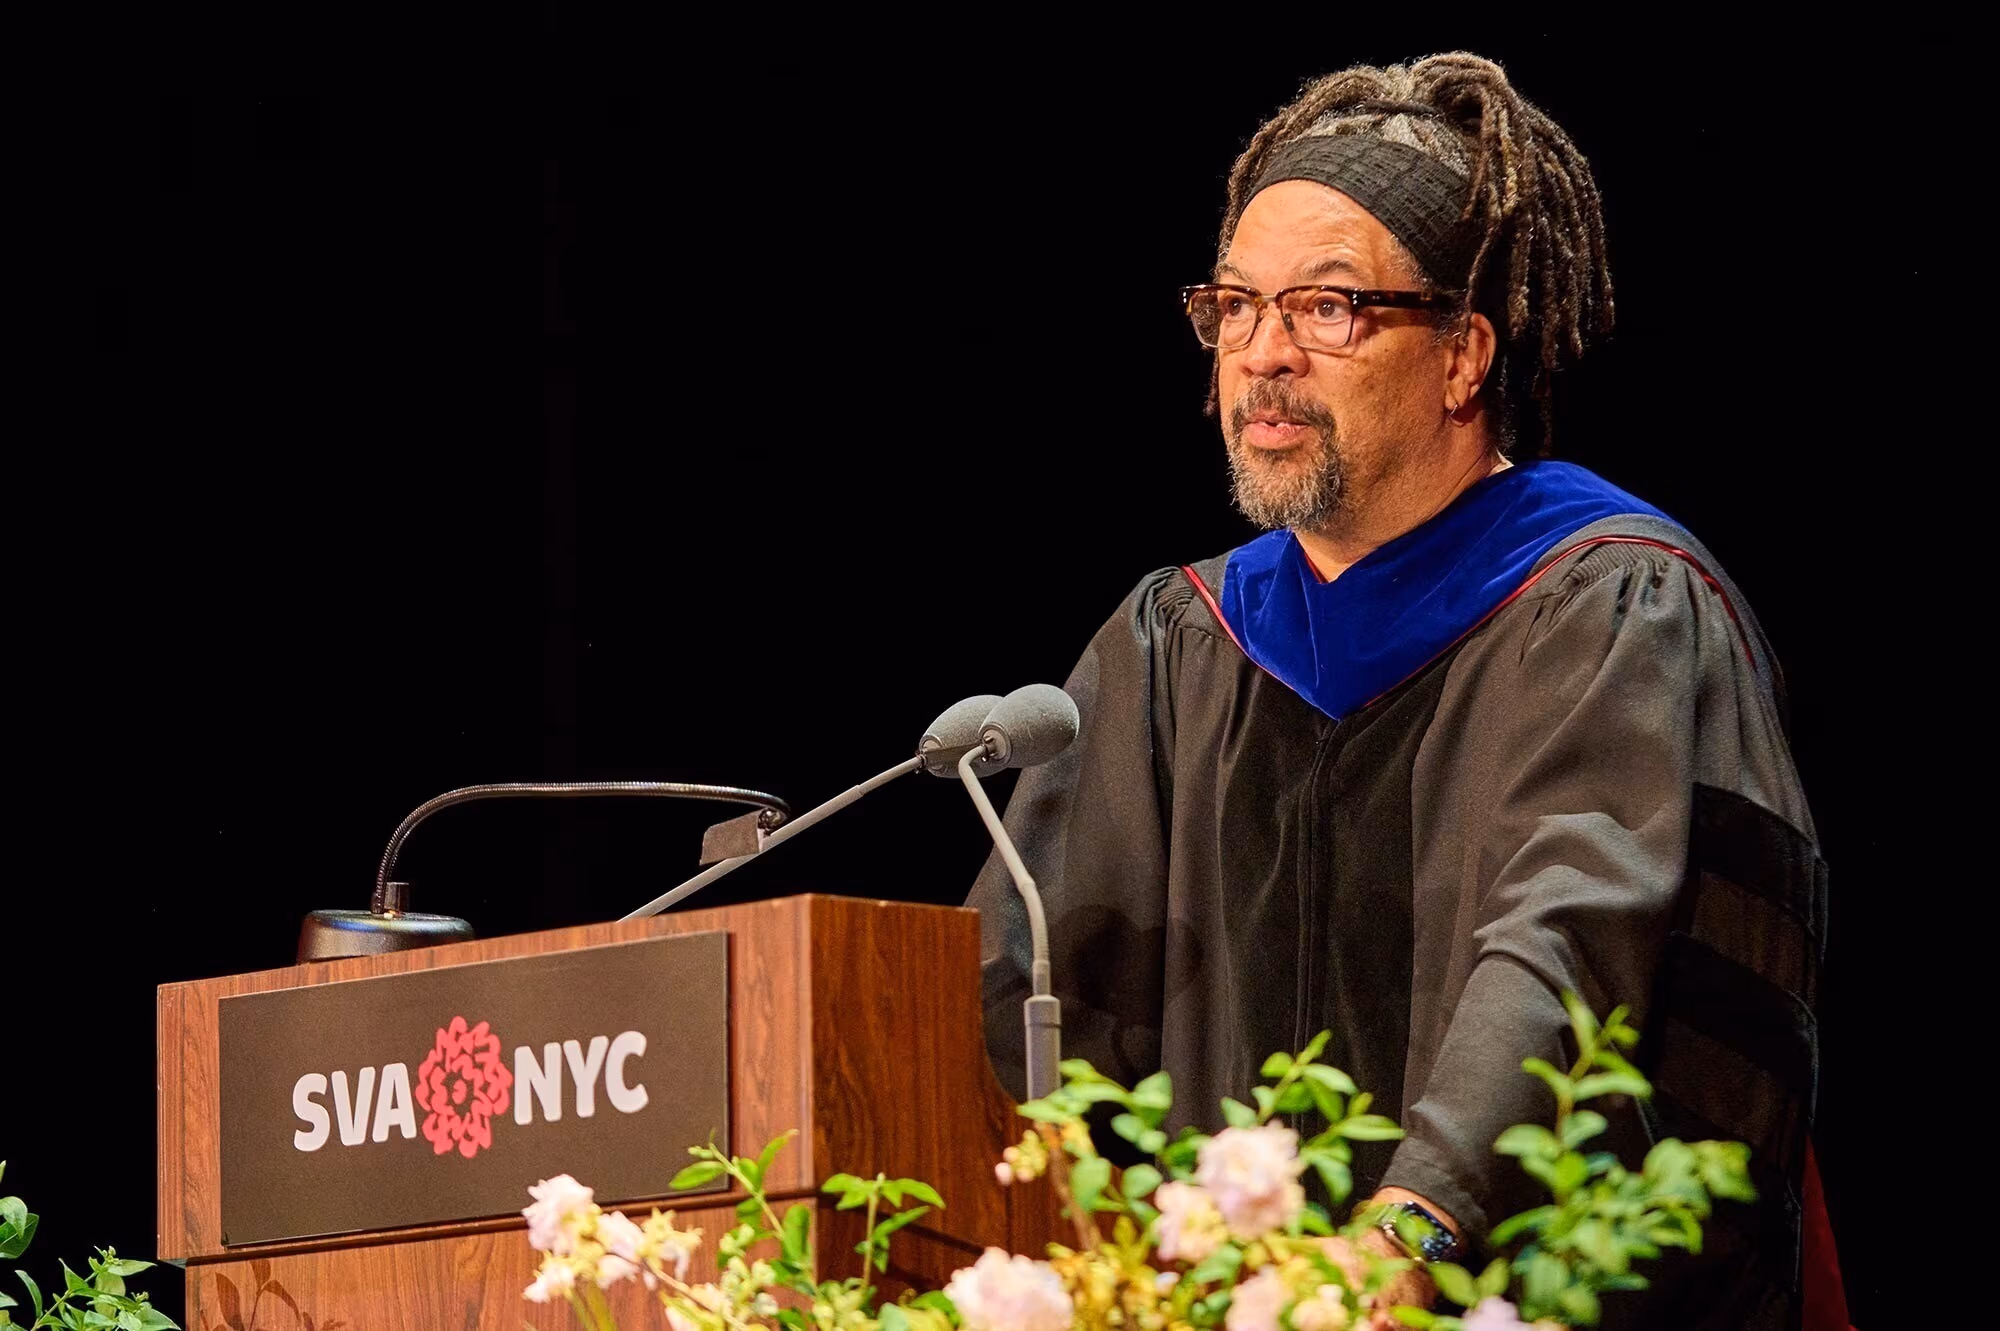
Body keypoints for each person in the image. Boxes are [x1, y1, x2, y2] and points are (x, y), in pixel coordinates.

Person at [968, 53, 1835, 1331]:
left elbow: (1572, 937)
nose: (1262, 355)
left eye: (1326, 309)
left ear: (1461, 355)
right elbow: (1018, 996)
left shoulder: (1609, 606)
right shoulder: (1175, 645)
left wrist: (1416, 1220)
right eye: (1235, 307)